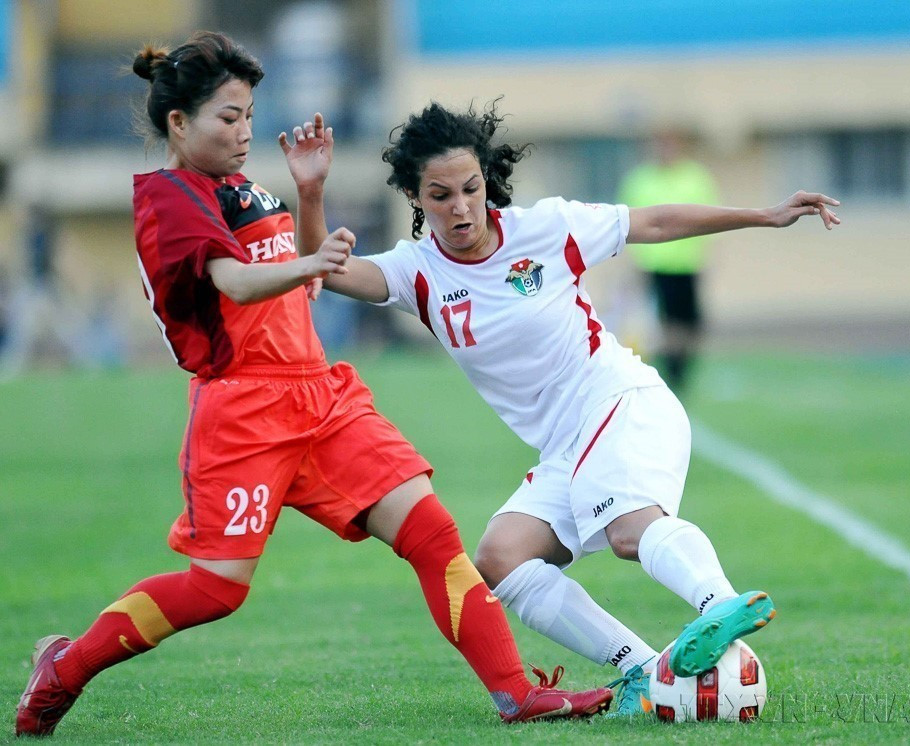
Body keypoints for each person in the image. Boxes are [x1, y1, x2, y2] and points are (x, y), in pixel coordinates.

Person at [13, 35, 613, 737]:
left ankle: (516, 694)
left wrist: (309, 194)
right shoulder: (170, 199)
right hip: (243, 410)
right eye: (228, 118)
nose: (244, 132)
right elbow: (237, 283)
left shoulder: (242, 188)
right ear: (178, 123)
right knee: (214, 591)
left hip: (320, 396)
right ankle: (64, 667)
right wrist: (313, 265)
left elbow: (296, 275)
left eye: (248, 115)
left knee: (431, 531)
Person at [318, 101, 840, 716]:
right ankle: (644, 669)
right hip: (567, 444)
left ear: (487, 180)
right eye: (440, 195)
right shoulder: (417, 272)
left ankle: (720, 603)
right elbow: (325, 272)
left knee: (627, 531)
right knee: (501, 557)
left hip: (619, 401)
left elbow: (654, 222)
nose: (461, 207)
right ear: (414, 196)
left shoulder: (545, 228)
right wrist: (309, 190)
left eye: (471, 188)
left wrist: (764, 215)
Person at [616, 131, 719, 393]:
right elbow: (625, 222)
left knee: (691, 323)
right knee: (662, 323)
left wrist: (708, 259)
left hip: (687, 264)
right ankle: (670, 372)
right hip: (654, 265)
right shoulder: (641, 180)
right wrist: (631, 262)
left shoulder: (695, 178)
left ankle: (680, 368)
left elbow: (709, 217)